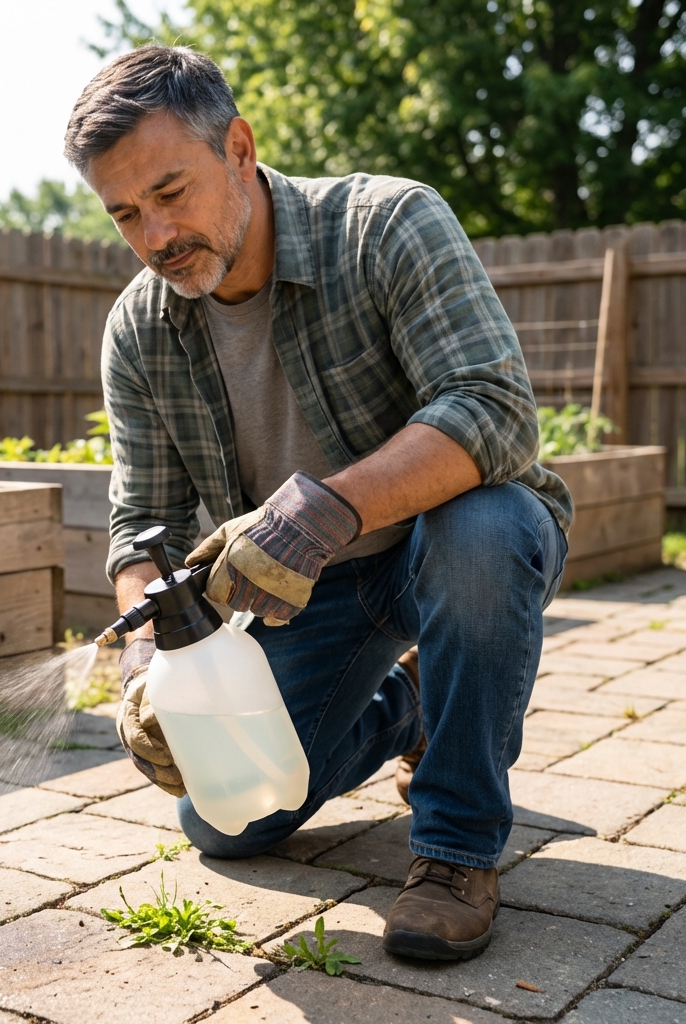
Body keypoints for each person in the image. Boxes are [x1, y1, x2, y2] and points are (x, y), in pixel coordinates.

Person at [64, 45, 571, 961]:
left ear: (239, 149)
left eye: (170, 192)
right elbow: (141, 525)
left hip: (451, 547)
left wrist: (323, 510)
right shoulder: (139, 330)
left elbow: (494, 408)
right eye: (125, 213)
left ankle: (456, 847)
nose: (155, 235)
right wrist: (144, 659)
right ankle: (414, 705)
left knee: (481, 529)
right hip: (302, 595)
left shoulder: (386, 224)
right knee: (227, 821)